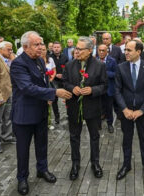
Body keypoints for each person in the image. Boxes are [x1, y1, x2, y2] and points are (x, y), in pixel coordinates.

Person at [10, 31, 72, 195]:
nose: (41, 47)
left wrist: (50, 94)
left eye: (41, 44)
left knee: (42, 144)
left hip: (41, 111)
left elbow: (44, 81)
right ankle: (22, 178)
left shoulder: (38, 60)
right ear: (25, 47)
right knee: (23, 149)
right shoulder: (18, 64)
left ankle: (42, 169)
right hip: (24, 114)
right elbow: (27, 87)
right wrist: (54, 93)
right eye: (36, 44)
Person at [62, 36, 107, 180]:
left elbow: (105, 86)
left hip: (93, 108)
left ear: (89, 50)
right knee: (74, 137)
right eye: (76, 48)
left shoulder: (100, 65)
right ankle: (75, 164)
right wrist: (72, 88)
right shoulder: (70, 65)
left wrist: (93, 90)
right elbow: (64, 82)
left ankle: (95, 163)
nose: (77, 51)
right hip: (74, 107)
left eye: (80, 49)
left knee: (94, 136)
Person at [114, 40, 144, 182]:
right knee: (127, 139)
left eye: (129, 50)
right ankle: (126, 165)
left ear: (138, 52)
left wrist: (142, 110)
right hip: (126, 112)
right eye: (125, 50)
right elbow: (117, 91)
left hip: (142, 113)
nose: (125, 52)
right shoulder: (121, 68)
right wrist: (125, 109)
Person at [97, 44, 117, 133]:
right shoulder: (94, 60)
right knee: (98, 107)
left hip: (109, 89)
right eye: (100, 50)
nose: (101, 52)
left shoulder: (112, 61)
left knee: (109, 108)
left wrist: (105, 73)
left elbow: (116, 74)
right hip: (97, 89)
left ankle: (110, 124)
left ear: (107, 51)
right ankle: (98, 124)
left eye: (103, 50)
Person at [50, 42, 68, 125]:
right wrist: (55, 74)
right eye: (55, 47)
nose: (56, 48)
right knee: (54, 99)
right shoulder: (50, 58)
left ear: (61, 48)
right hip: (54, 80)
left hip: (64, 80)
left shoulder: (65, 57)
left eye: (58, 47)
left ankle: (69, 113)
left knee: (67, 97)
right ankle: (57, 117)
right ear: (52, 48)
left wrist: (63, 74)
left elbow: (68, 67)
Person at [41, 44, 57, 129]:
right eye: (41, 49)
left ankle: (49, 121)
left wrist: (51, 78)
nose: (43, 51)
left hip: (49, 82)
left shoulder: (50, 59)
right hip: (41, 84)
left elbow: (54, 70)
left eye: (44, 49)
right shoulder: (36, 60)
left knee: (50, 102)